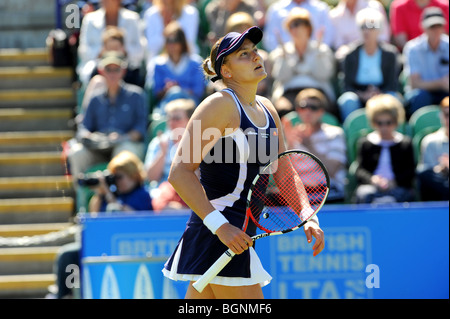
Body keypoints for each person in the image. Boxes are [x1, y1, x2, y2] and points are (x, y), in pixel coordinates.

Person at [162, 26, 325, 299]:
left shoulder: (268, 108)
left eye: (255, 51)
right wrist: (221, 227)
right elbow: (179, 172)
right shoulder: (218, 106)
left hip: (233, 237)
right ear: (226, 71)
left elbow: (283, 172)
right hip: (219, 233)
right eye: (244, 55)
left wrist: (308, 215)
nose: (255, 57)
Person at [52, 150, 153, 299]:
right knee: (67, 256)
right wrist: (100, 193)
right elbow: (94, 217)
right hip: (102, 245)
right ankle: (65, 295)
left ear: (133, 175)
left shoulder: (142, 195)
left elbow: (133, 217)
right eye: (114, 177)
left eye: (119, 177)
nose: (117, 182)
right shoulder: (110, 194)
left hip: (129, 247)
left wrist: (109, 195)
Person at [68, 52, 148, 185]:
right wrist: (91, 137)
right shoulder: (94, 99)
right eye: (108, 69)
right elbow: (84, 128)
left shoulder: (136, 95)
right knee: (76, 152)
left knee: (123, 153)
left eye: (116, 69)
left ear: (123, 71)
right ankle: (83, 195)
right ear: (101, 71)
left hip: (124, 143)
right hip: (97, 147)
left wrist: (122, 138)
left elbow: (140, 129)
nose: (112, 74)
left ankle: (123, 197)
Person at [268, 7, 336, 116]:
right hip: (289, 92)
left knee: (323, 110)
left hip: (317, 91)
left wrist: (318, 53)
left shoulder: (322, 49)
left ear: (308, 28)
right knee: (282, 110)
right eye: (291, 25)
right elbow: (281, 77)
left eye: (298, 24)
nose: (294, 29)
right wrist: (284, 55)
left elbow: (323, 75)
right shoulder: (281, 51)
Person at [283, 89, 347, 202]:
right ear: (298, 110)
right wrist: (288, 145)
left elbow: (332, 170)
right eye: (303, 107)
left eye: (313, 107)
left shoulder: (335, 134)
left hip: (327, 191)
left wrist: (309, 146)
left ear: (321, 111)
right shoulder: (292, 136)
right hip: (299, 192)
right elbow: (284, 175)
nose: (308, 111)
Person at [337, 8, 401, 121]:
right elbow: (347, 86)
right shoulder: (350, 55)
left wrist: (379, 94)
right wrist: (362, 94)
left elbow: (392, 84)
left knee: (394, 98)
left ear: (379, 29)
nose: (367, 31)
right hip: (358, 94)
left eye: (371, 27)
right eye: (363, 27)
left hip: (383, 93)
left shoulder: (390, 54)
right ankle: (350, 133)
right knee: (348, 100)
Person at [354, 94, 416, 204]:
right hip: (371, 188)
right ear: (373, 122)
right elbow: (360, 170)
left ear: (396, 121)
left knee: (399, 196)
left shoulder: (405, 143)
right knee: (364, 194)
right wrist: (373, 180)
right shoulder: (365, 143)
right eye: (380, 123)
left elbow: (410, 171)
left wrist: (394, 182)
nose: (384, 127)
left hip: (398, 188)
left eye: (389, 122)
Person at [77, 0, 145, 86]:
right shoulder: (89, 19)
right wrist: (102, 52)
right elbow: (84, 51)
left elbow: (140, 50)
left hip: (127, 67)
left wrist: (124, 51)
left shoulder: (133, 18)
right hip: (98, 65)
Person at [146, 21, 206, 112]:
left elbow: (198, 91)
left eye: (176, 40)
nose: (172, 45)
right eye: (168, 41)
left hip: (191, 105)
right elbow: (156, 93)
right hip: (166, 105)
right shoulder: (158, 64)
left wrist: (179, 90)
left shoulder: (196, 63)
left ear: (182, 42)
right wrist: (167, 90)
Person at [403, 6, 449, 116]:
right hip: (423, 94)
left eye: (439, 25)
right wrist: (441, 83)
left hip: (446, 92)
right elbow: (414, 83)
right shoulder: (413, 48)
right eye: (432, 26)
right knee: (420, 96)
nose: (436, 29)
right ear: (423, 27)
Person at [144, 98, 195, 189]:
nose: (171, 122)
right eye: (169, 118)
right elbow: (151, 177)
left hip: (187, 191)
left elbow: (198, 178)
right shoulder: (158, 142)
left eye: (177, 118)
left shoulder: (198, 144)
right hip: (162, 191)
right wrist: (162, 153)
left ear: (189, 120)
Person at [263, 0, 334, 52]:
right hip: (285, 59)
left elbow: (328, 36)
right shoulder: (276, 9)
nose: (297, 30)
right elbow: (270, 39)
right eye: (293, 25)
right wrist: (286, 54)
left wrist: (314, 53)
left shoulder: (321, 8)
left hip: (316, 59)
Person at [416, 96, 449, 201]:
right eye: (447, 115)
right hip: (441, 187)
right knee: (423, 172)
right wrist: (441, 168)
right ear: (441, 116)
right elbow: (427, 174)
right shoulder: (430, 141)